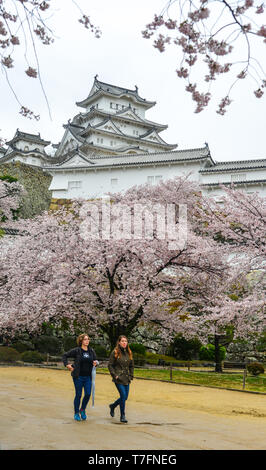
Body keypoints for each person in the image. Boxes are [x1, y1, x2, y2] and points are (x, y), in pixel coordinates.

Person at [62, 333, 98, 421]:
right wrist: (67, 365)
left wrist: (96, 363)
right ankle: (76, 413)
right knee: (78, 395)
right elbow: (65, 355)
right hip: (78, 376)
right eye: (85, 339)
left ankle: (82, 409)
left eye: (88, 339)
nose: (87, 341)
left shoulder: (91, 351)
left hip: (88, 377)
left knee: (88, 394)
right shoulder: (77, 350)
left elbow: (96, 360)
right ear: (81, 340)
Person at [108, 335, 134, 423]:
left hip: (126, 378)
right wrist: (114, 375)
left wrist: (131, 375)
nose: (124, 343)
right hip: (118, 378)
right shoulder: (115, 352)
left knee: (125, 397)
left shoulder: (129, 352)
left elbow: (131, 365)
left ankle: (113, 406)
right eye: (122, 341)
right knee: (123, 396)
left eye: (125, 341)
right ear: (119, 342)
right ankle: (122, 415)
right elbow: (110, 365)